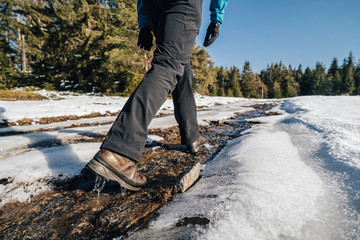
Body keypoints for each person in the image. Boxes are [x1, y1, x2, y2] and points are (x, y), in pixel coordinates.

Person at [84, 0, 228, 191]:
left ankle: (192, 135)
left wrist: (144, 23)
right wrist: (216, 18)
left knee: (181, 68)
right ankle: (119, 152)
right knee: (169, 65)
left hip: (154, 6)